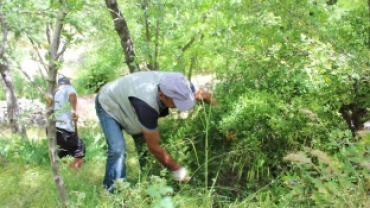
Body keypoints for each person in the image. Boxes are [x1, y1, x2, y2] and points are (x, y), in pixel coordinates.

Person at [95, 71, 217, 192]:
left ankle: (150, 185)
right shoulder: (146, 104)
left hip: (131, 103)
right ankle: (115, 192)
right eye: (176, 102)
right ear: (161, 95)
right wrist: (177, 169)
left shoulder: (181, 86)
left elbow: (204, 95)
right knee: (118, 149)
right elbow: (153, 146)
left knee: (144, 150)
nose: (179, 106)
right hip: (109, 103)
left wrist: (220, 111)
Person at [55, 77, 85, 169]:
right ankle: (74, 171)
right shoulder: (68, 88)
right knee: (79, 149)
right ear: (68, 83)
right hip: (64, 128)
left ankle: (63, 170)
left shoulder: (54, 92)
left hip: (52, 128)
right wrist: (75, 111)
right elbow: (72, 94)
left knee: (64, 149)